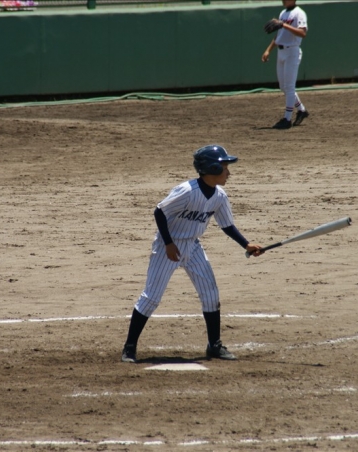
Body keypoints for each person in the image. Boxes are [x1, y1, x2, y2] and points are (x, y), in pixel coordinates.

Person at [121, 145, 264, 363]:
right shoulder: (187, 191)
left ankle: (214, 345)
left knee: (211, 295)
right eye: (225, 167)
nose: (228, 172)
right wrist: (168, 243)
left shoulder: (219, 196)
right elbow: (160, 212)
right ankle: (129, 347)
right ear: (213, 168)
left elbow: (227, 225)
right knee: (151, 297)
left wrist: (246, 244)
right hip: (168, 246)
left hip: (193, 246)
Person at [261, 0, 309, 130]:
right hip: (281, 52)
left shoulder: (299, 13)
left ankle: (287, 119)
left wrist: (284, 25)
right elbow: (279, 35)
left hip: (292, 51)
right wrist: (268, 50)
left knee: (289, 87)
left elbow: (303, 33)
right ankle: (302, 110)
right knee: (284, 87)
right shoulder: (283, 13)